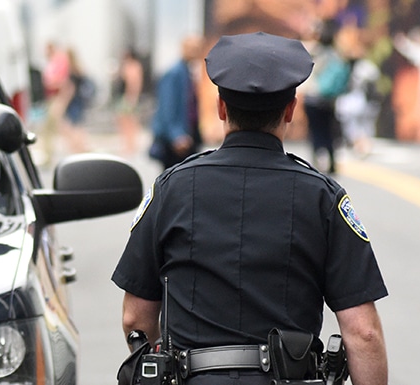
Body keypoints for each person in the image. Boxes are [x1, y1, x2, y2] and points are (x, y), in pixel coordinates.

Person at [112, 32, 388, 385]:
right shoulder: (322, 197)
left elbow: (135, 317)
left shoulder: (172, 189)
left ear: (221, 108)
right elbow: (363, 332)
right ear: (290, 110)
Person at [301, 19, 351, 174]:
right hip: (329, 101)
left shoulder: (314, 53)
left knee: (315, 131)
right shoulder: (337, 56)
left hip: (312, 98)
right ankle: (332, 162)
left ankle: (316, 162)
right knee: (329, 131)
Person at [148, 36, 203, 170]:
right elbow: (167, 106)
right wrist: (176, 135)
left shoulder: (187, 71)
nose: (196, 52)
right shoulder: (174, 73)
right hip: (177, 139)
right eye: (192, 48)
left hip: (188, 133)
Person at [114, 48, 145, 158]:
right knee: (124, 121)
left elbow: (134, 83)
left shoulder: (133, 66)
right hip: (124, 96)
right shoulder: (127, 66)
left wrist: (132, 98)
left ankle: (130, 145)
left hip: (128, 97)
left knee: (129, 122)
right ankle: (128, 144)